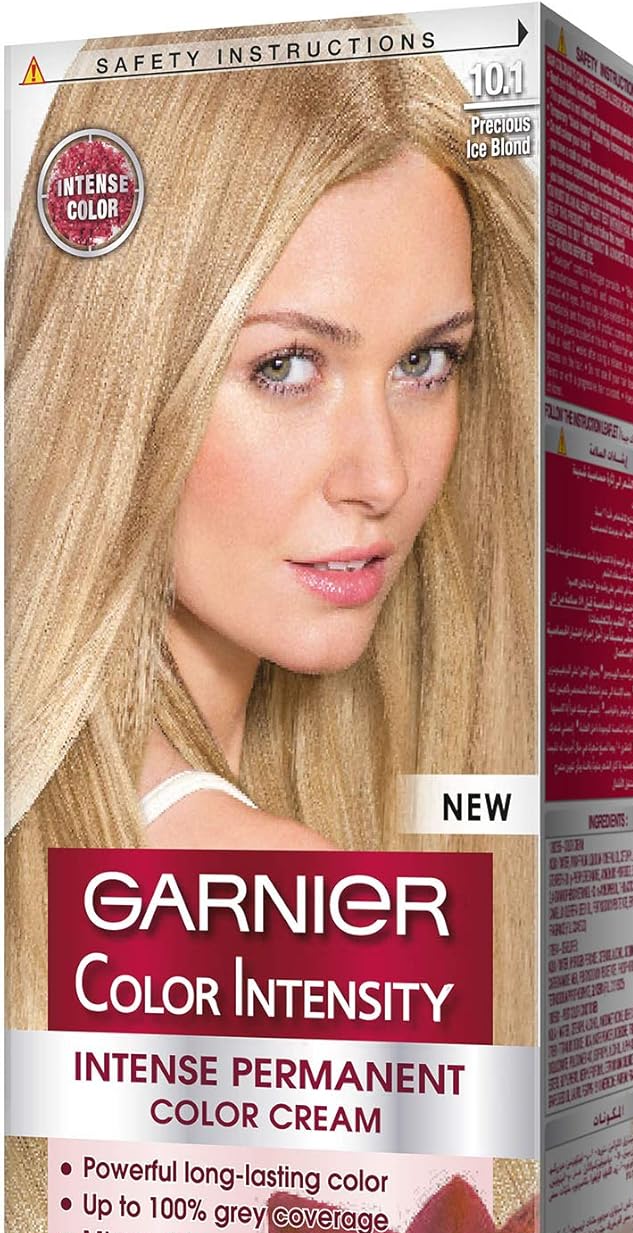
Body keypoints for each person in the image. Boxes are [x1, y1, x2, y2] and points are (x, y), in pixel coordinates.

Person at [6, 23, 536, 1020]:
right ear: (116, 380)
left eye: (427, 362)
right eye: (285, 366)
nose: (381, 476)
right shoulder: (286, 908)